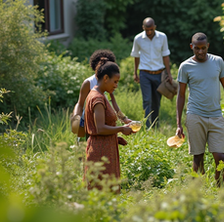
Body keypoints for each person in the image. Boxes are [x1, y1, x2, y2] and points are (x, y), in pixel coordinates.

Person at [176, 32, 224, 186]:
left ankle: (220, 192)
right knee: (198, 158)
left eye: (203, 48)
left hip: (216, 116)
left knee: (221, 157)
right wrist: (179, 124)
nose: (200, 52)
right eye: (197, 48)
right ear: (191, 47)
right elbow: (181, 95)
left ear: (208, 46)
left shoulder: (217, 61)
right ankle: (198, 193)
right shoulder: (185, 66)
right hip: (195, 115)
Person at [84, 58, 135, 191]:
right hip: (100, 151)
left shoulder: (101, 95)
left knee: (107, 191)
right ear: (106, 78)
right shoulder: (97, 98)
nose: (116, 85)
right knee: (101, 191)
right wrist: (121, 129)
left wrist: (115, 137)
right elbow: (99, 128)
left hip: (106, 147)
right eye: (115, 81)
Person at [72, 49, 131, 134]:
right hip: (89, 122)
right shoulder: (89, 82)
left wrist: (124, 119)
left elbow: (113, 102)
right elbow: (80, 103)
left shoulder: (110, 83)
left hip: (104, 119)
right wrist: (76, 119)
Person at [132, 17, 173, 128]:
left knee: (156, 101)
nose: (149, 32)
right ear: (143, 28)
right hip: (144, 73)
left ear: (154, 27)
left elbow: (165, 55)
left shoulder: (162, 37)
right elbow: (136, 56)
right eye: (147, 30)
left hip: (159, 74)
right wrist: (135, 73)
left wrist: (169, 74)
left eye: (151, 29)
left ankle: (155, 124)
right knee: (147, 100)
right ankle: (147, 125)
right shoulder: (138, 39)